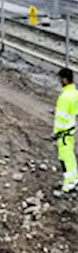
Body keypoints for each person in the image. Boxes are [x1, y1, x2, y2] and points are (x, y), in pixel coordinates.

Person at [54, 68, 78, 198]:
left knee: (64, 159)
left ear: (64, 79)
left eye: (60, 78)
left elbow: (61, 119)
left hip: (63, 134)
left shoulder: (64, 97)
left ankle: (67, 187)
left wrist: (56, 134)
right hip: (70, 131)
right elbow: (73, 112)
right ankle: (74, 181)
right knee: (70, 157)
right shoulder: (75, 93)